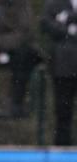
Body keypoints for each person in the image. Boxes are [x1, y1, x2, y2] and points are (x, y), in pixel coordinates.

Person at [42, 0, 77, 145]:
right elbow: (47, 25)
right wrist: (69, 30)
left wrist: (67, 22)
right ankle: (62, 147)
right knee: (63, 111)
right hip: (64, 66)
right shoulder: (54, 3)